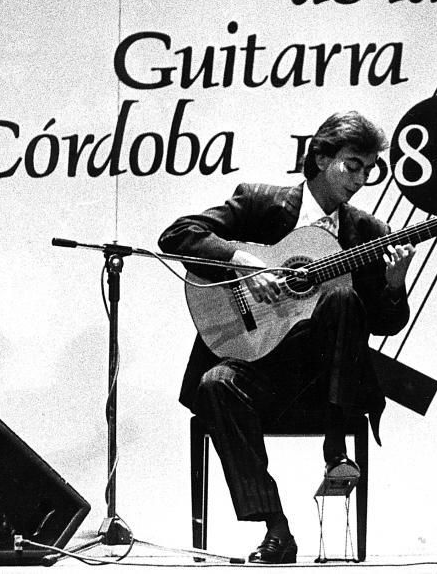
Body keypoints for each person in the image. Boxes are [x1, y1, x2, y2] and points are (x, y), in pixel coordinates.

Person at [159, 111, 415, 563]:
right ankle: (277, 529)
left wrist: (394, 285)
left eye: (370, 170)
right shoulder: (262, 203)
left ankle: (335, 450)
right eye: (352, 166)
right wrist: (243, 260)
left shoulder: (368, 233)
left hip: (326, 376)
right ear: (319, 156)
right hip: (259, 364)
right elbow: (177, 235)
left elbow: (383, 323)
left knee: (340, 297)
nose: (361, 179)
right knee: (215, 383)